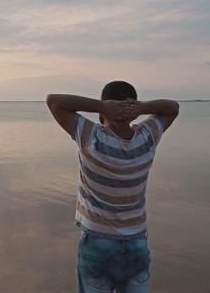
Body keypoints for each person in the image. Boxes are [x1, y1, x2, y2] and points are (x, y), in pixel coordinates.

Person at [45, 81, 179, 293]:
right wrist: (140, 108)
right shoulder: (147, 137)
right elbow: (172, 107)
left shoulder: (91, 137)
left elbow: (54, 101)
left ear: (104, 107)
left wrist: (103, 107)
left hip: (97, 244)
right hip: (136, 244)